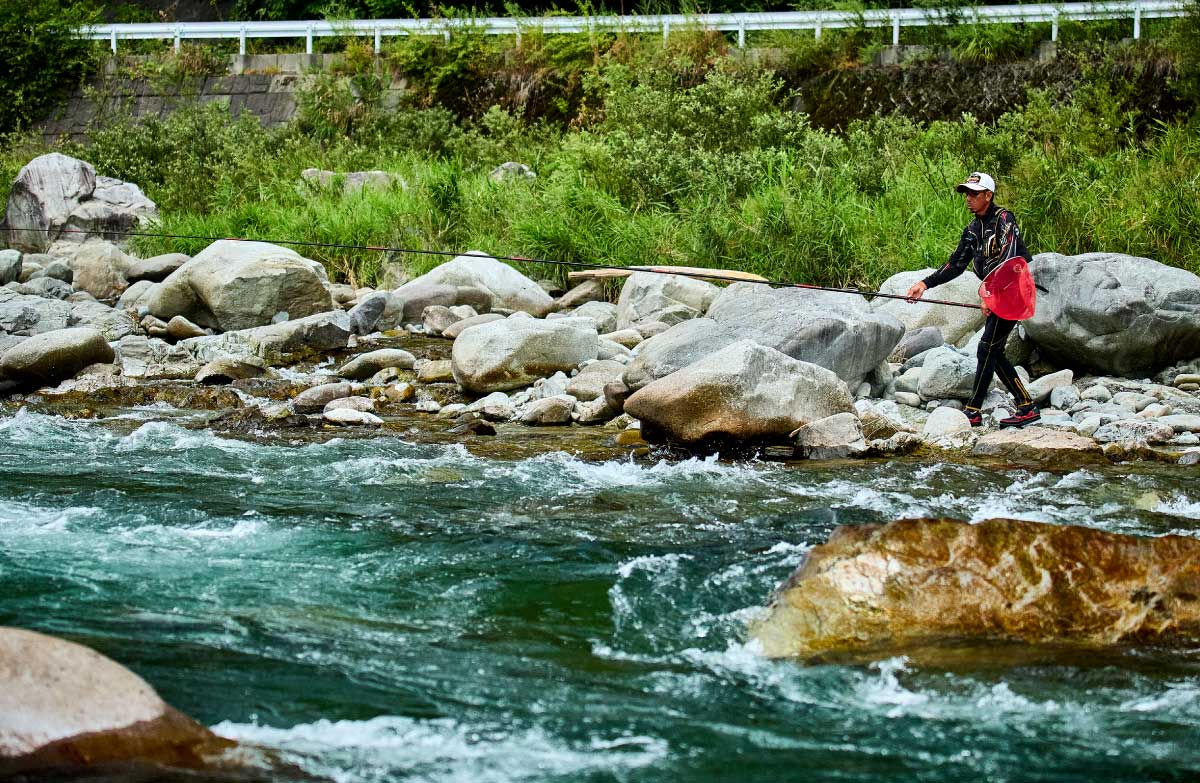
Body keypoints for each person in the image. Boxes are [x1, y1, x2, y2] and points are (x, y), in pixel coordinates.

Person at [904, 172, 1040, 429]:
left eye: (974, 194)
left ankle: (974, 410)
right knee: (992, 349)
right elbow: (955, 265)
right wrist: (924, 284)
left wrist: (994, 295)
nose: (968, 198)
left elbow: (1010, 261)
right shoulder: (972, 230)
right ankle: (1026, 406)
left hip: (1015, 290)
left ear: (988, 195)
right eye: (966, 193)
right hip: (994, 293)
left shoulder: (1004, 219)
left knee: (986, 347)